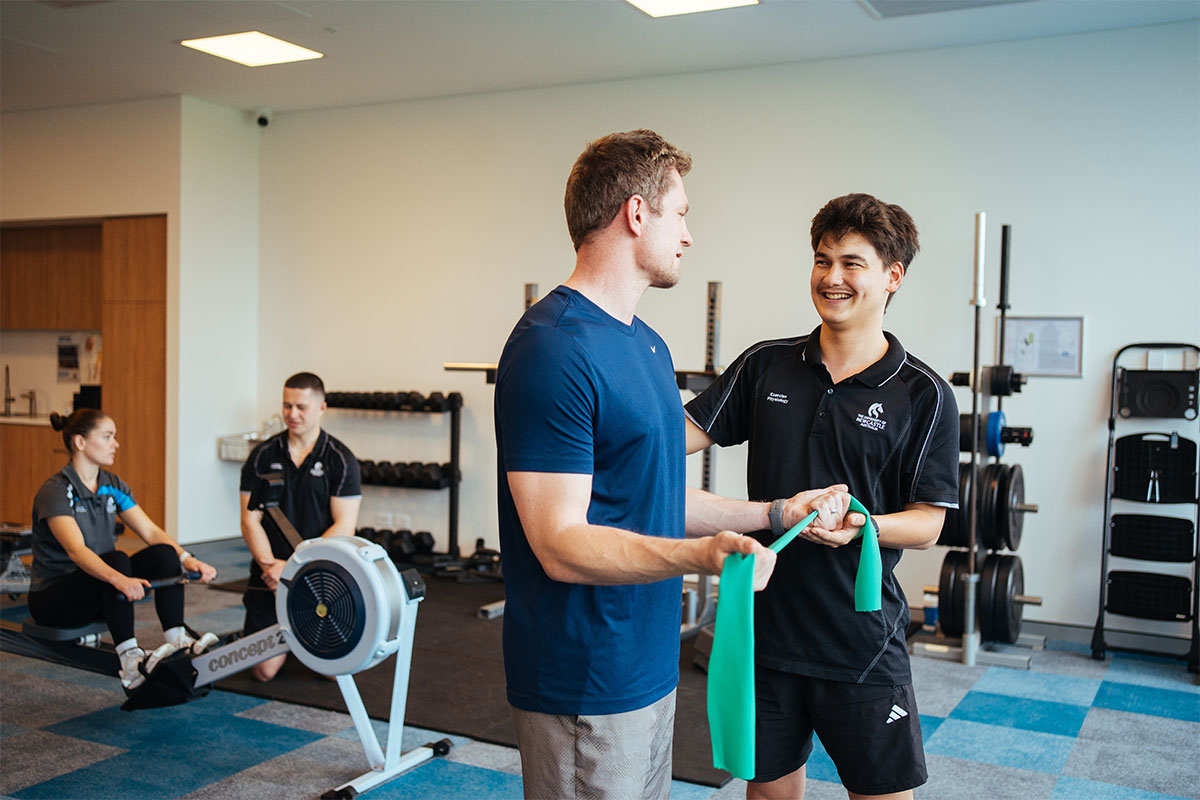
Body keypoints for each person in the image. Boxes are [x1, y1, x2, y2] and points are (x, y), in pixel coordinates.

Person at [493, 129, 855, 800]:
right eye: (680, 213)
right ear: (636, 213)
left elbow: (656, 498)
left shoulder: (650, 348)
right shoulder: (552, 349)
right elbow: (558, 545)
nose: (688, 234)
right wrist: (702, 558)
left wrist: (778, 513)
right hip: (584, 676)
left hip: (648, 658)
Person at [685, 193, 960, 800]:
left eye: (851, 263)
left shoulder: (926, 395)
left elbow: (928, 524)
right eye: (821, 259)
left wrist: (864, 528)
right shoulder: (766, 365)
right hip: (769, 630)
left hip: (861, 638)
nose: (831, 278)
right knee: (769, 793)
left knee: (884, 794)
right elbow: (671, 440)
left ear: (892, 276)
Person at [29, 409, 219, 693]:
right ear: (80, 442)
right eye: (107, 437)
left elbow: (152, 532)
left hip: (99, 589)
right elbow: (76, 551)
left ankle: (178, 639)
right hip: (54, 599)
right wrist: (119, 579)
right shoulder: (56, 491)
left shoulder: (111, 485)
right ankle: (131, 661)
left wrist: (187, 559)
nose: (115, 444)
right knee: (117, 560)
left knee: (163, 552)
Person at [239, 371, 361, 682]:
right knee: (264, 672)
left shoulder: (341, 459)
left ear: (321, 408)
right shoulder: (262, 457)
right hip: (271, 574)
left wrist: (294, 566)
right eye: (287, 405)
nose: (292, 414)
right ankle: (290, 632)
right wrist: (270, 566)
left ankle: (303, 631)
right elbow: (250, 518)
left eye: (301, 407)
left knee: (336, 673)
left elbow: (345, 524)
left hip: (321, 574)